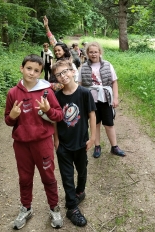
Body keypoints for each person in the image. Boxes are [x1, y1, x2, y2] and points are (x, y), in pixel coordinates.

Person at [4, 54, 64, 229]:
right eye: (29, 68)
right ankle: (26, 207)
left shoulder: (47, 92)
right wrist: (13, 117)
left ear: (40, 73)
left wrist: (48, 110)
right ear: (22, 68)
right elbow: (8, 120)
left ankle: (54, 207)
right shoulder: (13, 93)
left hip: (43, 142)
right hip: (21, 144)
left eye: (36, 70)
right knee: (24, 177)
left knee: (48, 176)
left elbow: (59, 115)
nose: (31, 73)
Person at [52, 60, 96, 227]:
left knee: (82, 170)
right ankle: (72, 207)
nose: (62, 76)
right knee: (67, 176)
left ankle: (80, 192)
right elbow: (55, 120)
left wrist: (92, 138)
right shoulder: (56, 97)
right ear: (55, 78)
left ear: (72, 71)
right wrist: (56, 140)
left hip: (81, 142)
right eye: (58, 75)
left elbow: (92, 115)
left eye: (65, 72)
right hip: (63, 144)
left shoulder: (84, 93)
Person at [78, 41, 125, 158]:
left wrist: (115, 98)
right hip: (91, 101)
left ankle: (114, 147)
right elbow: (79, 84)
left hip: (105, 99)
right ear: (87, 53)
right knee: (95, 124)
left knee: (109, 123)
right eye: (91, 52)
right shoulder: (83, 68)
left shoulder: (107, 65)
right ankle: (97, 146)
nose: (93, 54)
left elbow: (114, 82)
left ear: (100, 52)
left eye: (96, 52)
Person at [43, 16, 78, 87]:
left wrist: (53, 86)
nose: (56, 52)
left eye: (59, 50)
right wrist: (46, 27)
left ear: (64, 51)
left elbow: (73, 79)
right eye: (55, 51)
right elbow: (52, 40)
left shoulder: (69, 62)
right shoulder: (58, 61)